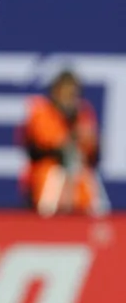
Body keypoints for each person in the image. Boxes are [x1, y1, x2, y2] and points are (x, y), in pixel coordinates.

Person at [19, 69, 108, 216]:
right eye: (65, 93)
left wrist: (90, 142)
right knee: (54, 174)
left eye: (73, 93)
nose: (69, 98)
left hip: (77, 173)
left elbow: (94, 156)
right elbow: (36, 149)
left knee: (88, 178)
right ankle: (43, 223)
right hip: (48, 172)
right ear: (55, 92)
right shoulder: (42, 112)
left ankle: (96, 224)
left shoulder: (84, 114)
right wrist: (68, 142)